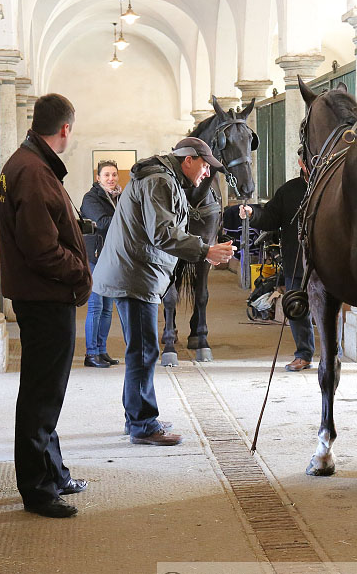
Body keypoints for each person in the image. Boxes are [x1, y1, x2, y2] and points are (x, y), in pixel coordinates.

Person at [92, 137, 236, 446]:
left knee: (140, 349)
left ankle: (137, 417)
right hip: (134, 275)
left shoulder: (162, 177)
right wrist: (206, 250)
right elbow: (162, 233)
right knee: (144, 351)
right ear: (188, 160)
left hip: (133, 272)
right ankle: (144, 424)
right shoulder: (160, 181)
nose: (208, 173)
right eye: (205, 164)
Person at [0, 93, 92, 518]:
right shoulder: (34, 171)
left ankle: (53, 473)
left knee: (47, 392)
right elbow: (41, 250)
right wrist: (79, 272)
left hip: (42, 295)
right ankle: (37, 489)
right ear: (66, 129)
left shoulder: (29, 163)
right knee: (40, 395)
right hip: (44, 295)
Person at [238, 150, 315, 372]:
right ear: (301, 162)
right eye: (309, 160)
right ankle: (304, 354)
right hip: (297, 261)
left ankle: (333, 355)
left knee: (328, 309)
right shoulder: (289, 190)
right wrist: (253, 214)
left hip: (328, 265)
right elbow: (270, 218)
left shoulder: (333, 185)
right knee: (297, 309)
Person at [81, 160, 122, 368]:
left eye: (114, 175)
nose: (111, 178)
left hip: (112, 258)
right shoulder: (91, 198)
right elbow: (104, 223)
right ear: (98, 178)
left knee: (108, 308)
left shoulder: (120, 198)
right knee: (96, 306)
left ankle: (102, 350)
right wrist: (127, 217)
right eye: (106, 175)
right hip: (95, 257)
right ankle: (91, 354)